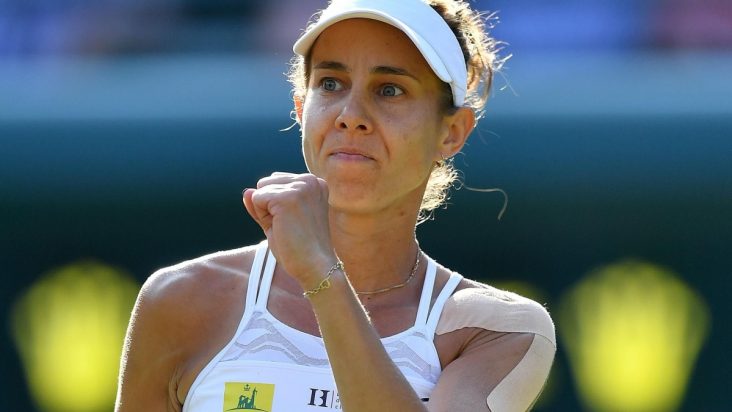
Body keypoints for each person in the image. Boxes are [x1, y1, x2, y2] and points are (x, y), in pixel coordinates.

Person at [115, 0, 556, 411]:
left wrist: (321, 277)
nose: (351, 114)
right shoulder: (180, 299)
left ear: (452, 132)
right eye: (330, 84)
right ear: (300, 108)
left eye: (390, 89)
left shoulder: (500, 329)